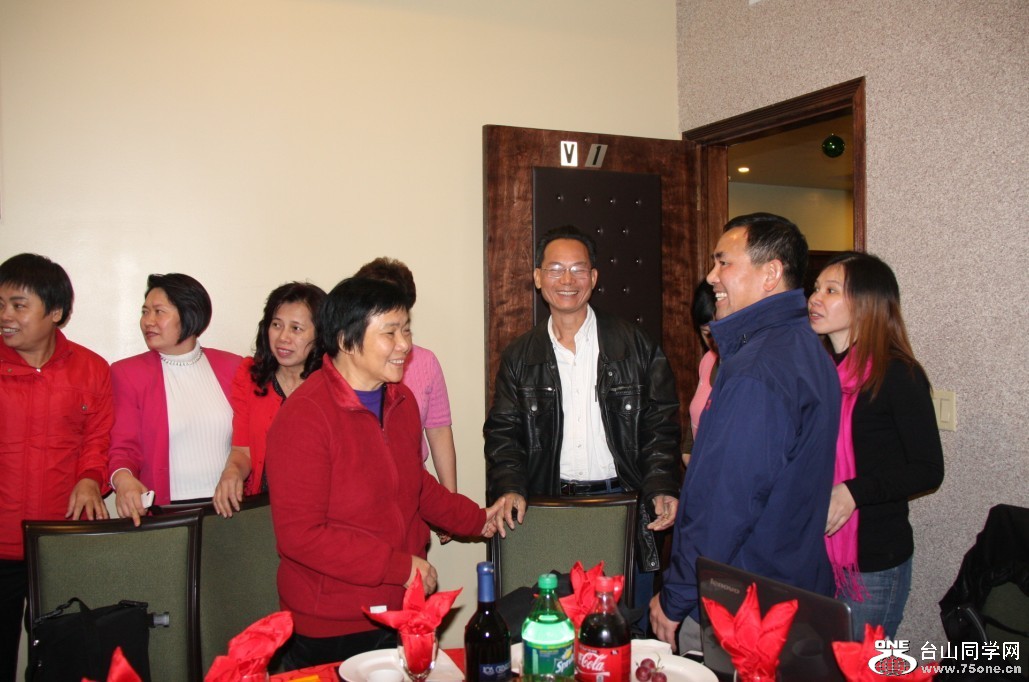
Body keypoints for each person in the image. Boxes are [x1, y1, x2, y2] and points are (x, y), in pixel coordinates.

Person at [265, 277, 504, 669]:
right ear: (345, 340)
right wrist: (401, 566)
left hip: (401, 607)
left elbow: (414, 484)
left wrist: (478, 520)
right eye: (390, 333)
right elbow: (301, 536)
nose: (404, 345)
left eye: (406, 330)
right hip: (332, 625)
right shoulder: (304, 417)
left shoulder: (401, 399)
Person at [651, 213, 841, 653]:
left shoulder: (759, 369)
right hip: (787, 588)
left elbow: (727, 500)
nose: (711, 276)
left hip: (742, 603)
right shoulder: (804, 348)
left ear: (770, 274)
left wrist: (678, 594)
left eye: (724, 263)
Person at [485, 225, 682, 614]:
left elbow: (661, 425)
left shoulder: (635, 346)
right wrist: (509, 486)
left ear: (593, 278)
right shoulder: (519, 357)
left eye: (577, 269)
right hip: (551, 509)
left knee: (624, 628)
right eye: (555, 269)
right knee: (553, 624)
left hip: (622, 508)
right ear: (538, 277)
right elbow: (504, 434)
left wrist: (661, 484)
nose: (567, 280)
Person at [809, 251, 944, 637]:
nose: (815, 298)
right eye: (815, 288)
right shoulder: (817, 372)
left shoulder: (898, 374)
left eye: (831, 290)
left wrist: (854, 491)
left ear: (866, 303)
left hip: (871, 562)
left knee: (861, 665)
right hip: (813, 552)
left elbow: (928, 470)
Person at [0, 253, 113, 682]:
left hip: (61, 541)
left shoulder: (91, 369)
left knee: (61, 660)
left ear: (56, 312)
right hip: (0, 545)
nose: (6, 316)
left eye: (18, 305)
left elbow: (97, 440)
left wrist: (90, 479)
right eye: (0, 305)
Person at [108, 273, 242, 525]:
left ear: (190, 315)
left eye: (159, 312)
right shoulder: (128, 373)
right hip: (167, 514)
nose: (148, 321)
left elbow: (251, 439)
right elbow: (123, 447)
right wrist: (123, 479)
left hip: (231, 509)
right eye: (145, 312)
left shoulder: (235, 367)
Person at [212, 282, 326, 518]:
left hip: (317, 511)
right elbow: (243, 451)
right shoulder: (250, 376)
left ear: (320, 334)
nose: (283, 337)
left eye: (296, 328)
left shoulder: (332, 385)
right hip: (262, 509)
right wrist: (232, 472)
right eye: (276, 325)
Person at [353, 258, 458, 495]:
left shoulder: (425, 362)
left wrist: (450, 496)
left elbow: (439, 430)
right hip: (361, 488)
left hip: (414, 485)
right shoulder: (349, 365)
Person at [683, 280, 718, 467]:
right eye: (707, 334)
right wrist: (688, 450)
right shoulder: (708, 360)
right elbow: (698, 409)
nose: (715, 341)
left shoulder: (746, 367)